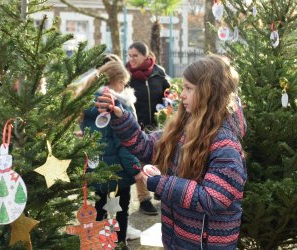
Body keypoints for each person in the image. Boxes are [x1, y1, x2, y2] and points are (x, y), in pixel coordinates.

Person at [96, 55, 247, 249]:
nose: (182, 94)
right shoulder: (183, 129)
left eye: (189, 89)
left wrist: (162, 183)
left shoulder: (225, 145)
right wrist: (121, 118)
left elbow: (213, 198)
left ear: (210, 93)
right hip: (177, 240)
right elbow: (147, 147)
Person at [80, 61, 142, 250]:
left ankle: (97, 244)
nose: (124, 87)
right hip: (118, 171)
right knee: (120, 211)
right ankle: (120, 244)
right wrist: (135, 169)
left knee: (100, 209)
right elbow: (125, 143)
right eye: (123, 82)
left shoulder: (90, 103)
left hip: (97, 168)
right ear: (116, 81)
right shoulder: (116, 105)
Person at [126, 41, 170, 215]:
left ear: (146, 55)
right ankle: (144, 199)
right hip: (137, 127)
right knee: (139, 164)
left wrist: (167, 111)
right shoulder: (127, 76)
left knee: (161, 159)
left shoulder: (159, 73)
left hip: (158, 126)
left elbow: (168, 95)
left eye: (135, 55)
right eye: (129, 55)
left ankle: (160, 189)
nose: (131, 59)